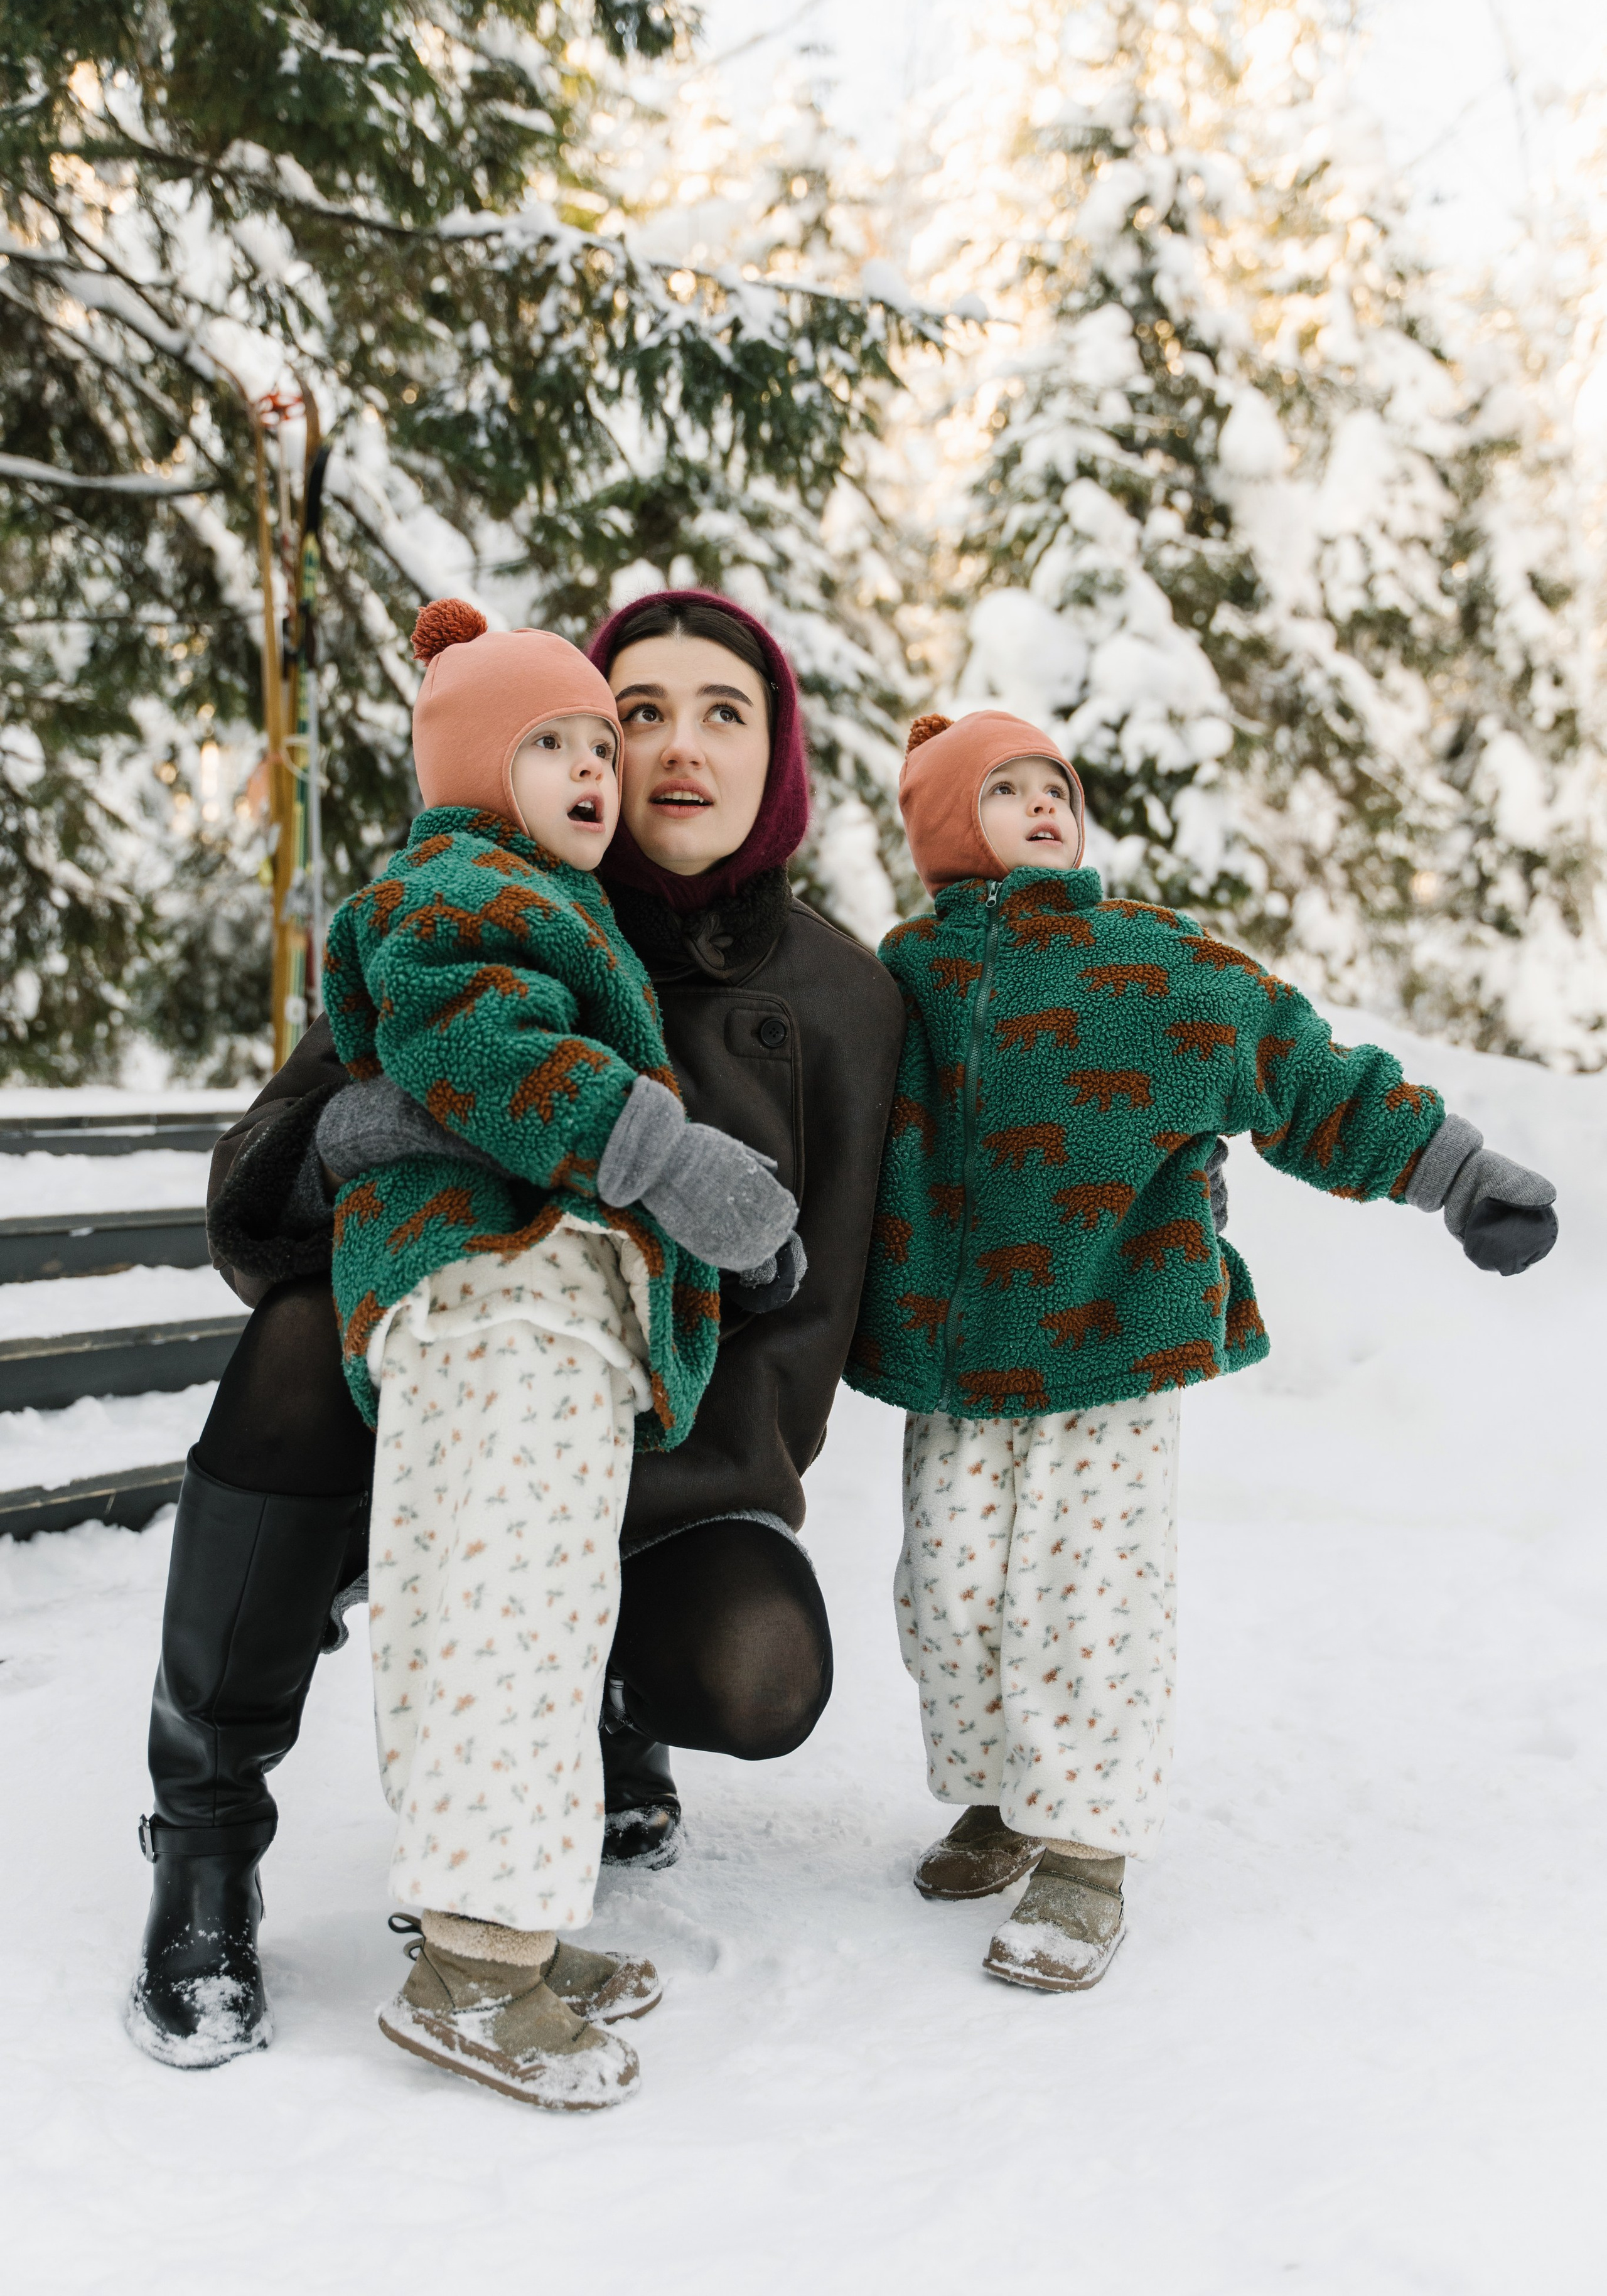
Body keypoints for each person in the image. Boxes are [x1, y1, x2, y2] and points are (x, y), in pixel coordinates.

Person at [129, 586, 906, 2066]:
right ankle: (205, 1840)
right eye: (635, 713)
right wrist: (383, 1129)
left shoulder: (840, 996)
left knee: (757, 1664)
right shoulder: (494, 891)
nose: (674, 748)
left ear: (779, 755)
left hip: (668, 1433)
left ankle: (603, 1718)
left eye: (723, 713)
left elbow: (821, 1318)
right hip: (444, 1379)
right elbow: (258, 1183)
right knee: (292, 1349)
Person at [849, 711, 1559, 1993]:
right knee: (947, 1597)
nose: (1044, 804)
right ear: (947, 829)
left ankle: (1085, 1849)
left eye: (1055, 787)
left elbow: (1306, 1074)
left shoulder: (1153, 962)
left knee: (1085, 1603)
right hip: (955, 1370)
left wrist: (1459, 1177)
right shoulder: (902, 977)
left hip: (1110, 1346)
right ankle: (1004, 1797)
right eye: (1004, 789)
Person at [304, 600, 798, 2106]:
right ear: (471, 769)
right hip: (509, 1302)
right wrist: (669, 1160)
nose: (598, 768)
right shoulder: (465, 891)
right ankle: (473, 1967)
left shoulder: (518, 892)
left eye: (599, 744)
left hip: (509, 1308)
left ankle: (496, 1928)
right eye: (554, 744)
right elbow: (488, 1058)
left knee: (495, 1614)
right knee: (517, 1623)